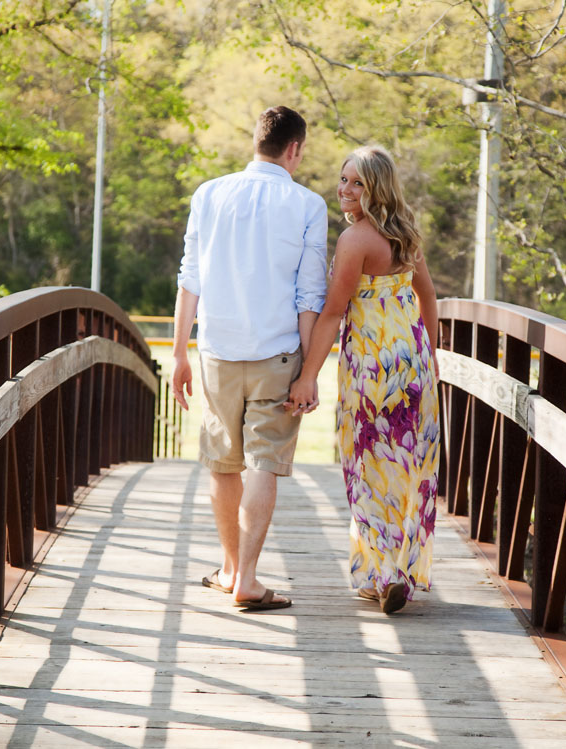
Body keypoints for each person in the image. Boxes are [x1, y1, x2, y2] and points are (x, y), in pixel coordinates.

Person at [171, 106, 327, 611]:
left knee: (223, 463)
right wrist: (308, 372)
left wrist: (179, 356)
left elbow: (189, 279)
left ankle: (230, 568)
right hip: (277, 353)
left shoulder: (209, 194)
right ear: (294, 148)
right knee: (264, 461)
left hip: (216, 350)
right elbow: (310, 296)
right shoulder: (308, 205)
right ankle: (249, 580)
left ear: (256, 140)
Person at [288, 145, 440, 615]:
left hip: (373, 365)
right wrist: (431, 361)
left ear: (376, 188)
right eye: (343, 179)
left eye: (357, 183)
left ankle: (386, 573)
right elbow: (429, 299)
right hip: (412, 359)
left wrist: (306, 376)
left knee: (368, 463)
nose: (345, 190)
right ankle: (393, 571)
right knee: (405, 463)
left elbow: (334, 311)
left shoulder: (355, 240)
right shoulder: (407, 233)